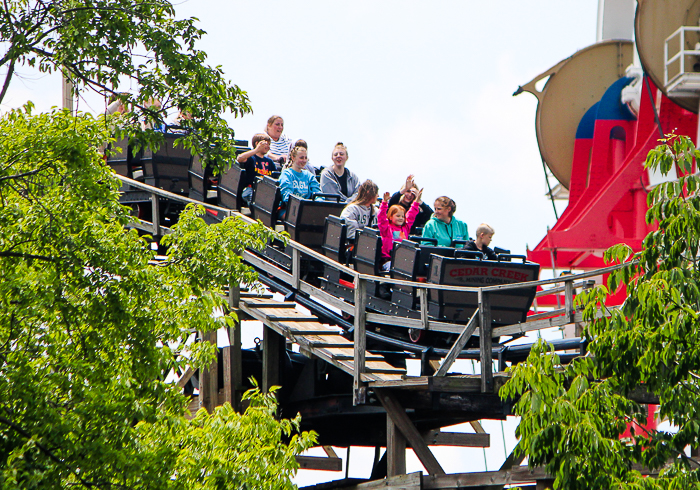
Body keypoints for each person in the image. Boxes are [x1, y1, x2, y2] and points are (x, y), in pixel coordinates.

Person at [378, 189, 422, 271]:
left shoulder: (405, 227)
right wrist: (384, 203)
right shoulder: (387, 228)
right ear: (390, 217)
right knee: (395, 269)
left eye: (402, 216)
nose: (401, 218)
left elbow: (411, 215)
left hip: (402, 259)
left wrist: (417, 201)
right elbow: (381, 217)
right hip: (388, 261)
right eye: (398, 216)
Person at [236, 133, 276, 204]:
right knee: (256, 199)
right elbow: (239, 158)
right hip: (251, 189)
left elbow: (276, 176)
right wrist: (256, 150)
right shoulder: (251, 158)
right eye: (266, 144)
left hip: (264, 191)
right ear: (257, 143)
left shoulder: (269, 161)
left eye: (269, 144)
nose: (268, 146)